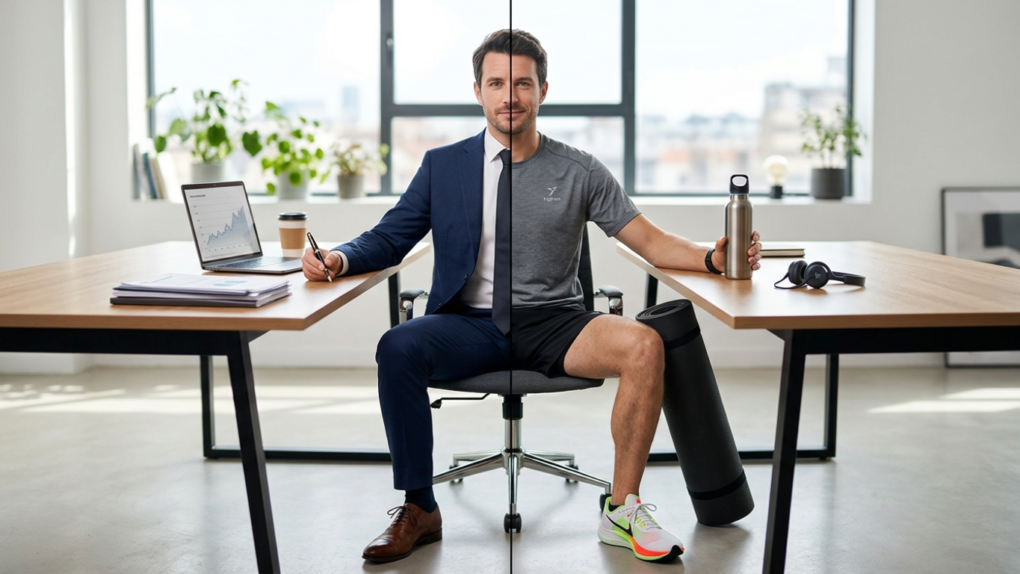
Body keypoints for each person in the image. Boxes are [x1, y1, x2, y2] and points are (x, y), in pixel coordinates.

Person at [303, 29, 762, 564]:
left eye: (522, 83)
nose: (510, 96)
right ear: (478, 90)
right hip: (467, 322)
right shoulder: (442, 167)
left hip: (556, 322)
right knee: (398, 346)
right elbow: (390, 236)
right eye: (497, 82)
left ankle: (622, 509)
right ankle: (420, 506)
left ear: (544, 90)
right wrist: (338, 259)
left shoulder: (580, 169)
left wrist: (714, 257)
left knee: (644, 345)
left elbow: (651, 241)